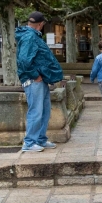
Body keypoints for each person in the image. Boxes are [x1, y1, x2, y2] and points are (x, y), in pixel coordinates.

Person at [16, 11, 63, 153]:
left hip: (38, 79)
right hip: (34, 80)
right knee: (36, 110)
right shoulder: (30, 36)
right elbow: (24, 60)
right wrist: (35, 75)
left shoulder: (29, 35)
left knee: (44, 110)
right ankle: (29, 142)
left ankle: (40, 139)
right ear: (41, 24)